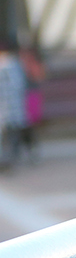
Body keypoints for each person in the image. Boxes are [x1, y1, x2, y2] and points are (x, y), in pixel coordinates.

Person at [0, 37, 29, 170]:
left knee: (10, 133)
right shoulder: (14, 64)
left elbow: (15, 85)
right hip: (12, 106)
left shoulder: (7, 65)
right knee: (13, 133)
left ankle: (8, 160)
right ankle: (10, 159)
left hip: (7, 106)